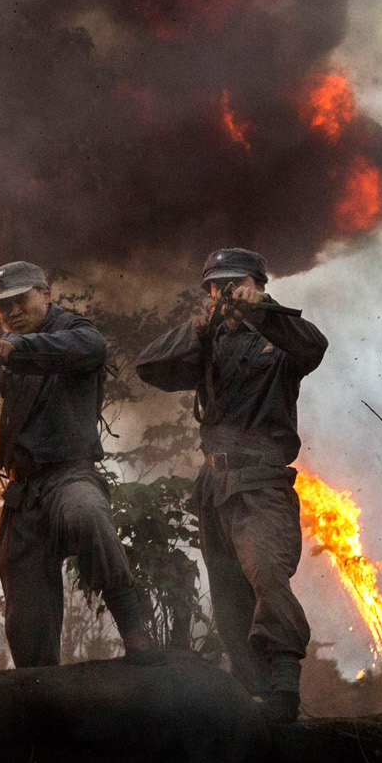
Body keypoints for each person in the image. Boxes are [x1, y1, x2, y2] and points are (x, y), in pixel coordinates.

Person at [136, 248, 327, 722]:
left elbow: (314, 346)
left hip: (261, 481)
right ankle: (255, 694)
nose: (225, 294)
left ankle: (284, 685)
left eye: (234, 284)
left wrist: (262, 311)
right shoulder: (210, 343)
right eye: (216, 287)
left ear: (259, 284)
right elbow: (149, 366)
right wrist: (198, 328)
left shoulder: (280, 341)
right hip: (214, 485)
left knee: (267, 574)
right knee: (227, 596)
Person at [0, 261, 156, 667]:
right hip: (23, 490)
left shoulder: (75, 331)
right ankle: (40, 684)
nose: (13, 311)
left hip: (70, 473)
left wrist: (18, 349)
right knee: (24, 613)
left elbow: (91, 348)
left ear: (46, 293)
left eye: (21, 300)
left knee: (87, 514)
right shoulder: (6, 344)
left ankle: (134, 630)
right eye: (3, 306)